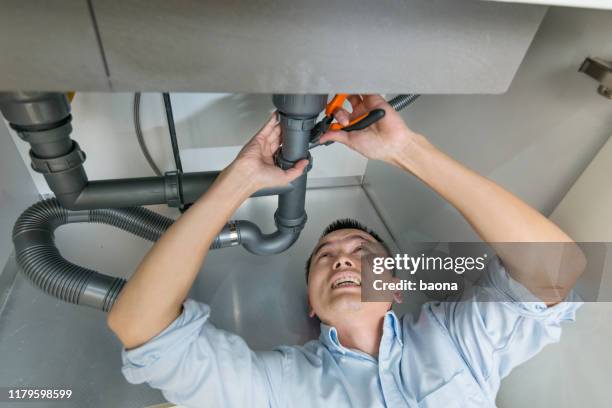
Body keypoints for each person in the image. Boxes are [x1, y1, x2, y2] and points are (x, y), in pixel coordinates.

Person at [107, 94, 585, 407]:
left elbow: (557, 268)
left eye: (363, 251)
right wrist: (241, 179)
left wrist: (408, 151)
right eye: (324, 258)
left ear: (395, 286)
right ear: (311, 308)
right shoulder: (284, 386)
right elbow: (138, 325)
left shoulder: (457, 341)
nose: (343, 258)